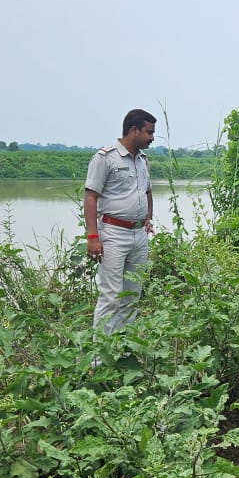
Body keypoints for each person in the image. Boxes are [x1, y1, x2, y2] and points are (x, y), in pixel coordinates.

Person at [84, 110, 156, 333]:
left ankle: (124, 353)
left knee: (132, 296)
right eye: (149, 132)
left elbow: (147, 191)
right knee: (111, 296)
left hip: (138, 236)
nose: (152, 138)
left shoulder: (143, 160)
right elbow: (90, 197)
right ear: (134, 130)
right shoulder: (105, 158)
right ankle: (99, 360)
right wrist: (93, 236)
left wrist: (148, 219)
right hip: (114, 234)